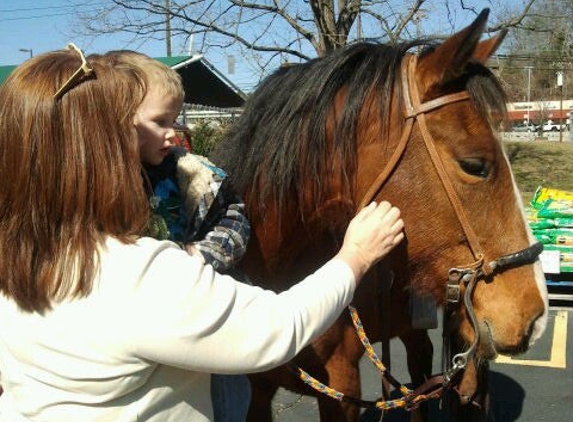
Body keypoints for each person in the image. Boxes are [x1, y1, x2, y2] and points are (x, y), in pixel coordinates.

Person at [0, 44, 405, 422]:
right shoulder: (137, 275)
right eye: (119, 131)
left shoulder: (15, 255)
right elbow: (279, 327)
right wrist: (355, 254)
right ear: (96, 151)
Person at [112, 50, 252, 422]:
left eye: (173, 120)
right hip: (136, 330)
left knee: (225, 394)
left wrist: (204, 255)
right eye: (160, 121)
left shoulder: (193, 173)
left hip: (197, 310)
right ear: (118, 120)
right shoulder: (104, 184)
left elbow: (233, 218)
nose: (173, 133)